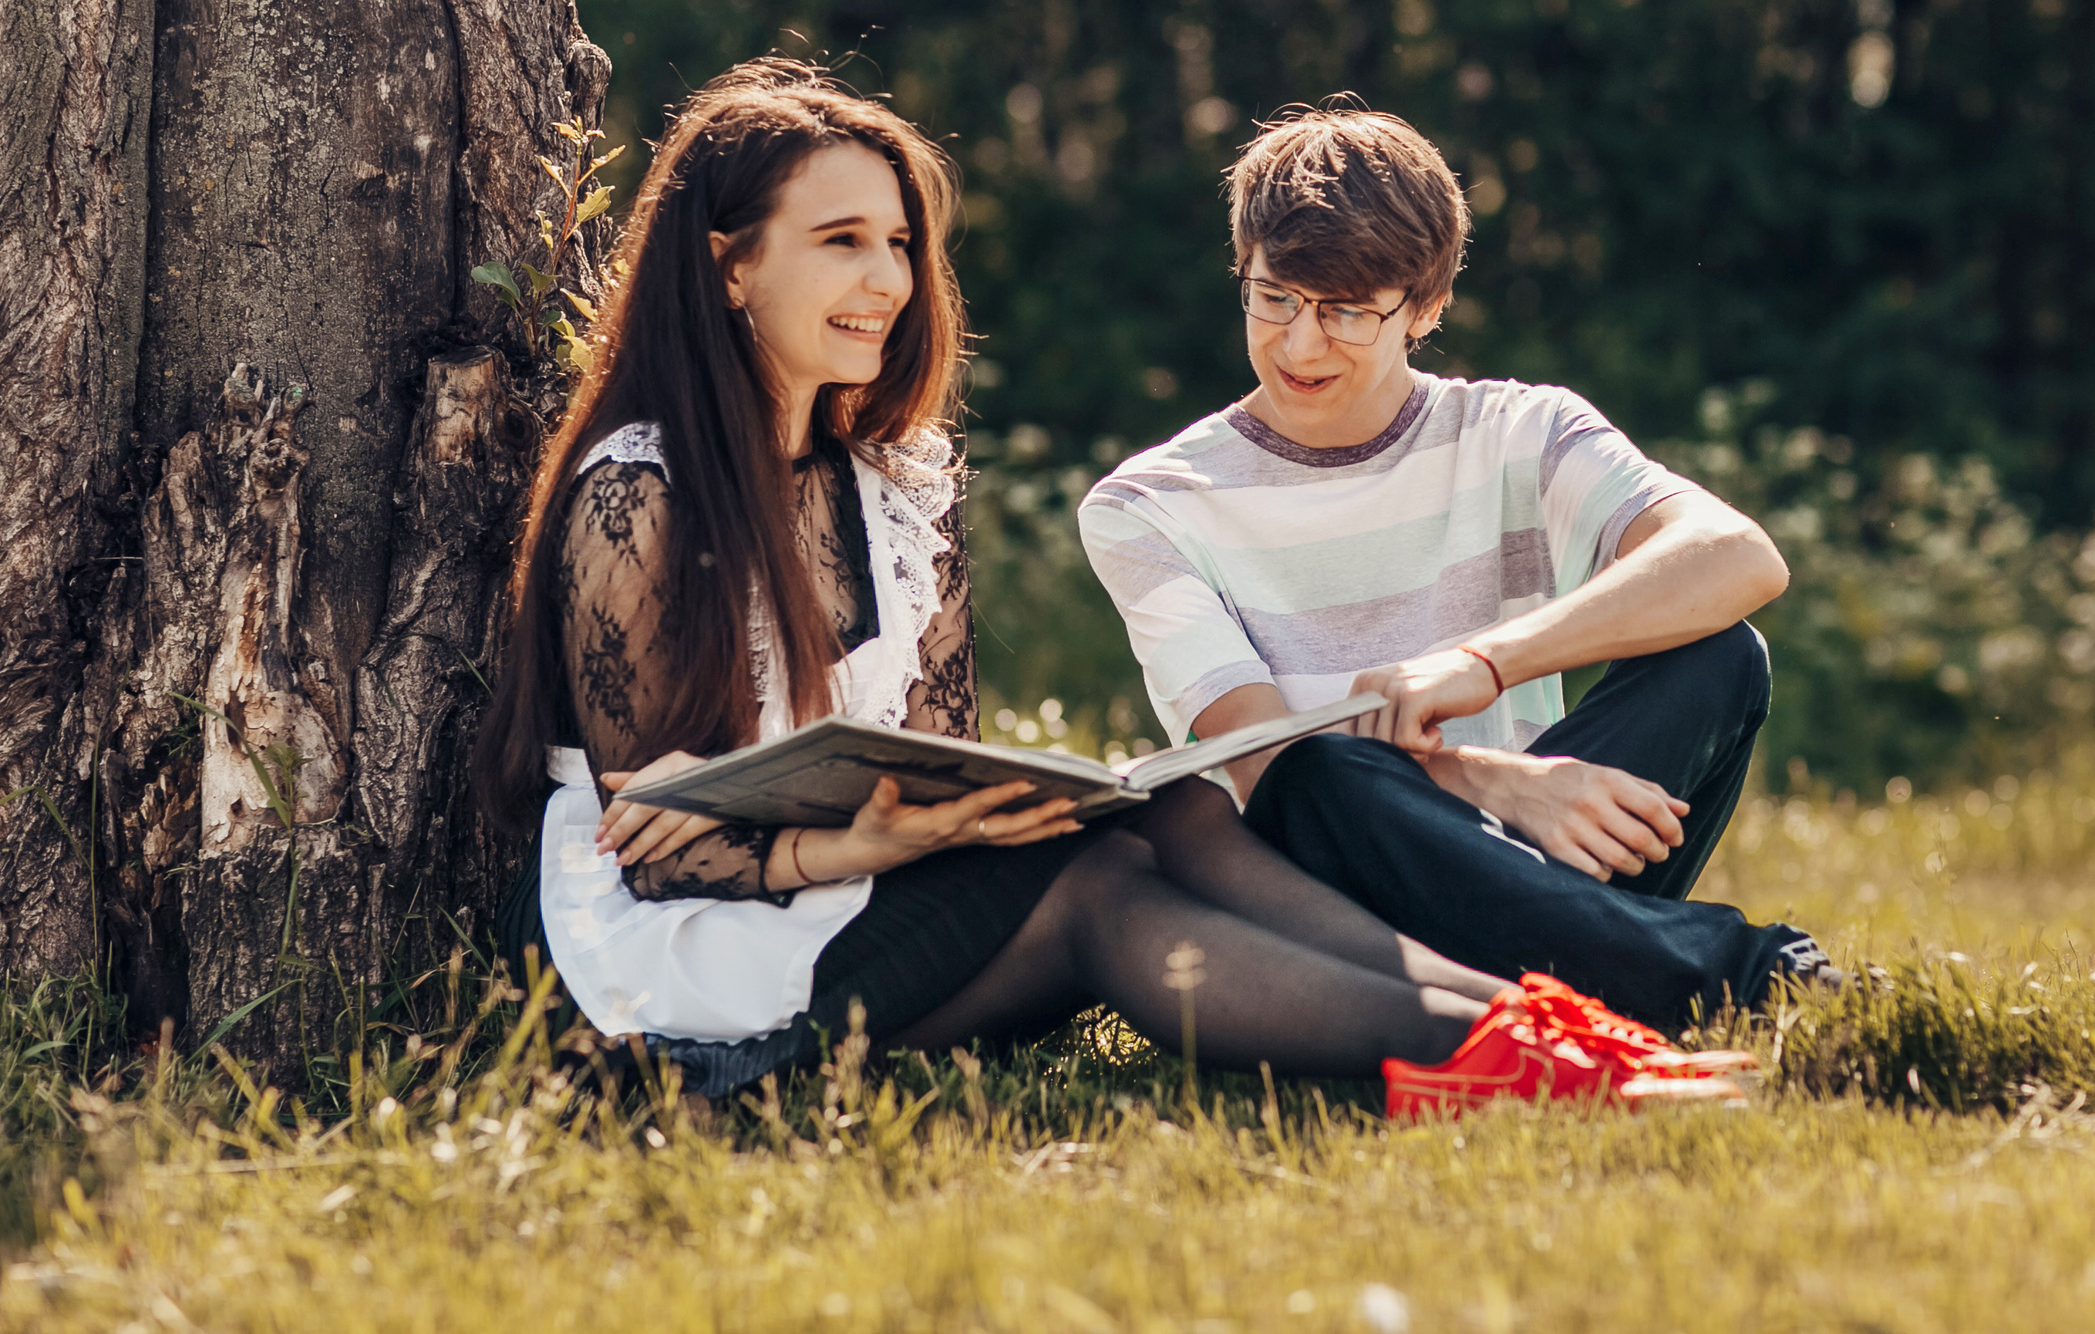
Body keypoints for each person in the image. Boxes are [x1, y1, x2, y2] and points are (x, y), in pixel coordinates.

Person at [475, 60, 1747, 1114]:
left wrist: (949, 816)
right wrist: (859, 843)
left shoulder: (895, 487)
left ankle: (1547, 1029)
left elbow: (932, 757)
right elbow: (661, 849)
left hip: (867, 889)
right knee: (1099, 885)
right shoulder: (638, 492)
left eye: (900, 244)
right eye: (842, 242)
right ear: (730, 265)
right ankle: (1532, 1054)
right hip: (692, 949)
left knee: (1171, 810)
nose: (886, 280)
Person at [1079, 106, 1837, 1035]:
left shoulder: (1522, 430)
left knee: (1722, 654)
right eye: (1274, 297)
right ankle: (1749, 975)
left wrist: (1481, 665)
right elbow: (1259, 760)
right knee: (1318, 771)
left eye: (1347, 312)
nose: (1300, 345)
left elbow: (1738, 556)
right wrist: (1499, 781)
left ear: (1426, 308)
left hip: (1543, 852)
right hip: (1342, 892)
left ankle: (1574, 975)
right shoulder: (1147, 504)